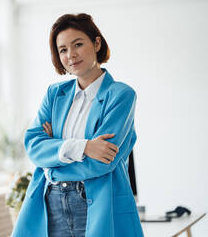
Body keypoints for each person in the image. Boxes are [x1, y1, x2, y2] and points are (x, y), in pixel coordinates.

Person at [11, 13, 144, 237]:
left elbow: (102, 162)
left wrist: (52, 160)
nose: (71, 55)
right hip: (51, 203)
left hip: (96, 204)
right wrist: (84, 147)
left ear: (97, 43)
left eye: (78, 44)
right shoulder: (55, 95)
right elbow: (34, 146)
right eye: (63, 49)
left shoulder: (121, 95)